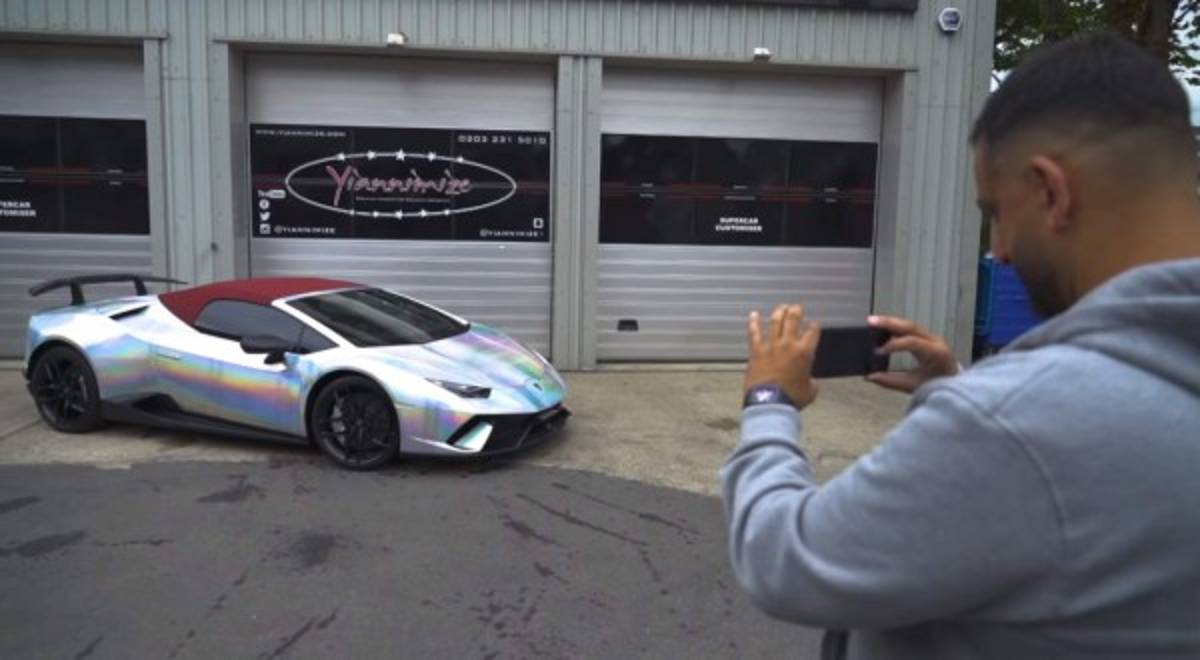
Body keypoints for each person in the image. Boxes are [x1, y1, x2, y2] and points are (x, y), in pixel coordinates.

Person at [721, 31, 1200, 660]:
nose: (998, 251)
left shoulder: (1018, 421)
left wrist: (769, 401)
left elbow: (787, 562)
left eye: (995, 212)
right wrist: (961, 386)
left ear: (1051, 192)